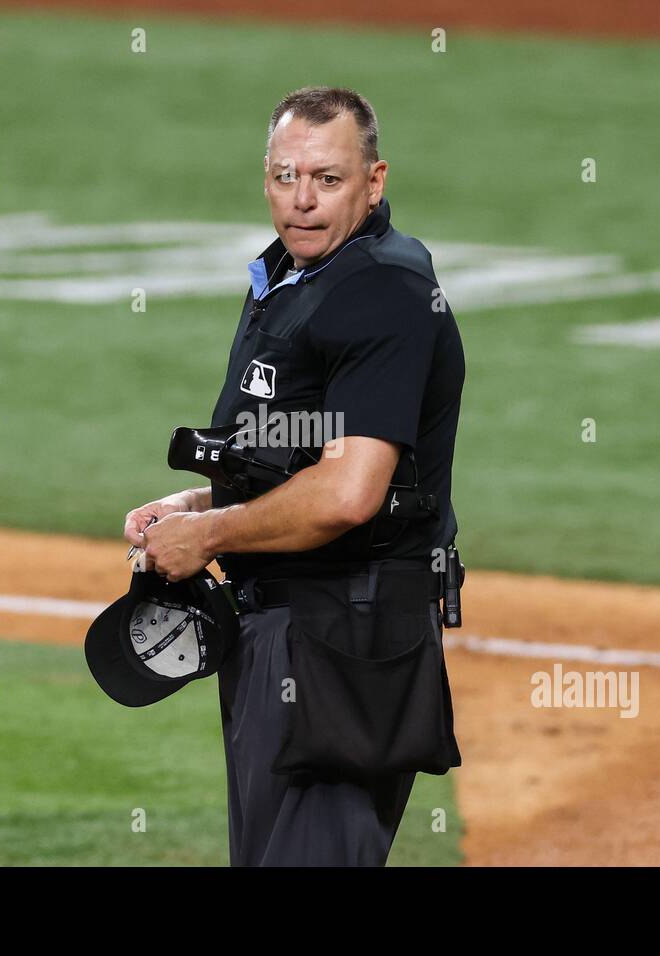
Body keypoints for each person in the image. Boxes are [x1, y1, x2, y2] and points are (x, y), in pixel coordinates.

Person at [123, 86, 464, 866]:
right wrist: (198, 501)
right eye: (285, 176)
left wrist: (208, 533)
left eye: (328, 178)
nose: (301, 201)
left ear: (374, 182)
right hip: (287, 631)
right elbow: (303, 459)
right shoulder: (293, 278)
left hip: (343, 639)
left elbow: (349, 492)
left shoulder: (381, 287)